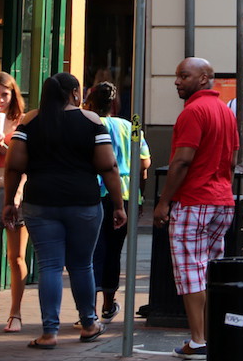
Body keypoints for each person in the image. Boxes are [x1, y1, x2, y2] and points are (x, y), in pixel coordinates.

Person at [2, 73, 126, 350]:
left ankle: (49, 332)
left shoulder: (30, 121)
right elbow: (108, 166)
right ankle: (89, 323)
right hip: (84, 203)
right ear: (74, 93)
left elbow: (13, 165)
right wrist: (118, 205)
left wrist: (9, 201)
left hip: (40, 202)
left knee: (50, 266)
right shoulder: (91, 122)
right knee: (82, 264)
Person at [153, 58, 239, 359]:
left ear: (204, 78)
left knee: (191, 272)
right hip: (223, 200)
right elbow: (231, 159)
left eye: (184, 76)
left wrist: (164, 202)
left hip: (195, 200)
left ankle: (199, 339)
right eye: (177, 75)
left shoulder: (193, 111)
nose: (177, 81)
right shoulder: (226, 112)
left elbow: (182, 160)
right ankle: (211, 334)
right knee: (211, 269)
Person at [84, 82, 150, 325]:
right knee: (113, 251)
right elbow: (145, 164)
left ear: (91, 103)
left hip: (94, 192)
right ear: (114, 103)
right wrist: (139, 196)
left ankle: (88, 309)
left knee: (90, 252)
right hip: (124, 195)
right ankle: (109, 304)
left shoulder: (90, 126)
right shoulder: (131, 126)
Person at [0, 71, 28, 335]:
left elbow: (29, 164)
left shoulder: (23, 123)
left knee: (16, 256)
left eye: (5, 94)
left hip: (15, 194)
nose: (0, 99)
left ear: (13, 95)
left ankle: (16, 314)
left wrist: (6, 152)